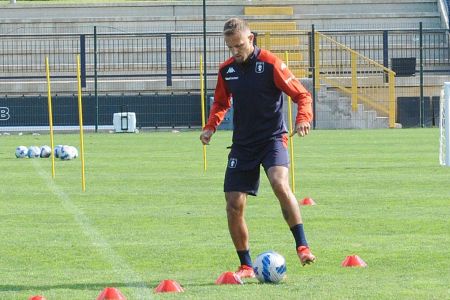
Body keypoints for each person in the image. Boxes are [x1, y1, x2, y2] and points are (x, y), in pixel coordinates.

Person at [199, 18, 316, 278]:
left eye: (239, 45)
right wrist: (210, 127)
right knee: (233, 204)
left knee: (279, 182)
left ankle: (302, 246)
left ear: (251, 39)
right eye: (230, 47)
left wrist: (303, 119)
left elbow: (302, 95)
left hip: (272, 138)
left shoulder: (271, 64)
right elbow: (220, 103)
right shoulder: (226, 70)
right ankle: (246, 266)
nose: (235, 52)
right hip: (243, 145)